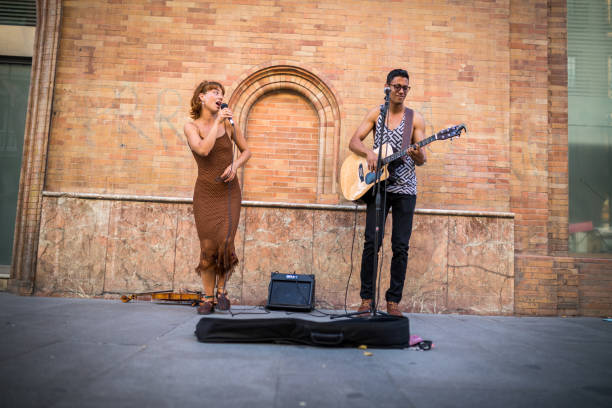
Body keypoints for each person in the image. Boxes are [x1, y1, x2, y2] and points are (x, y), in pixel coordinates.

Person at [348, 69, 427, 317]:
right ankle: (366, 299)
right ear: (387, 87)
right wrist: (368, 153)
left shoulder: (415, 119)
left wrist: (418, 154)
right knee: (372, 243)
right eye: (397, 87)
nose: (401, 91)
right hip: (378, 187)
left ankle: (393, 302)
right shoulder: (377, 113)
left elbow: (423, 158)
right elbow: (354, 141)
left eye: (406, 88)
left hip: (405, 190)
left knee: (400, 246)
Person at [184, 81, 251, 314]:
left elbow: (247, 151)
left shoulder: (230, 126)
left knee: (225, 244)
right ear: (201, 97)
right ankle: (207, 297)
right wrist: (218, 123)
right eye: (215, 92)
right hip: (205, 193)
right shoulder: (191, 127)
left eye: (221, 93)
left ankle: (222, 291)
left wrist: (236, 164)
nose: (220, 95)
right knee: (208, 247)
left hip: (229, 193)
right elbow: (203, 149)